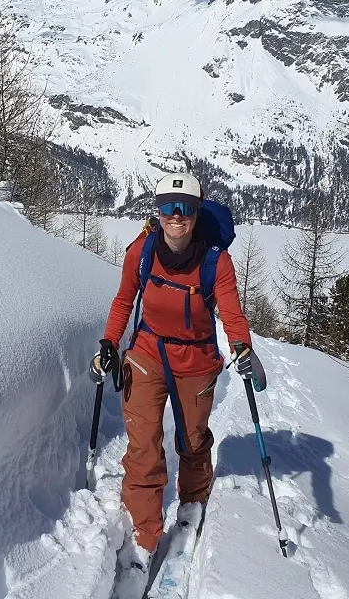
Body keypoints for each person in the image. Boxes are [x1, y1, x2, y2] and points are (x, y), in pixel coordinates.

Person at [89, 172, 262, 566]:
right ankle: (143, 529)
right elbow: (122, 302)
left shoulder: (216, 261)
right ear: (158, 210)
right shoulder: (143, 251)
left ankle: (192, 500)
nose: (177, 216)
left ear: (197, 212)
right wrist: (109, 343)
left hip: (196, 361)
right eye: (168, 207)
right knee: (144, 444)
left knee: (192, 439)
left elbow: (232, 314)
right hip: (148, 354)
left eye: (186, 209)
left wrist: (243, 348)